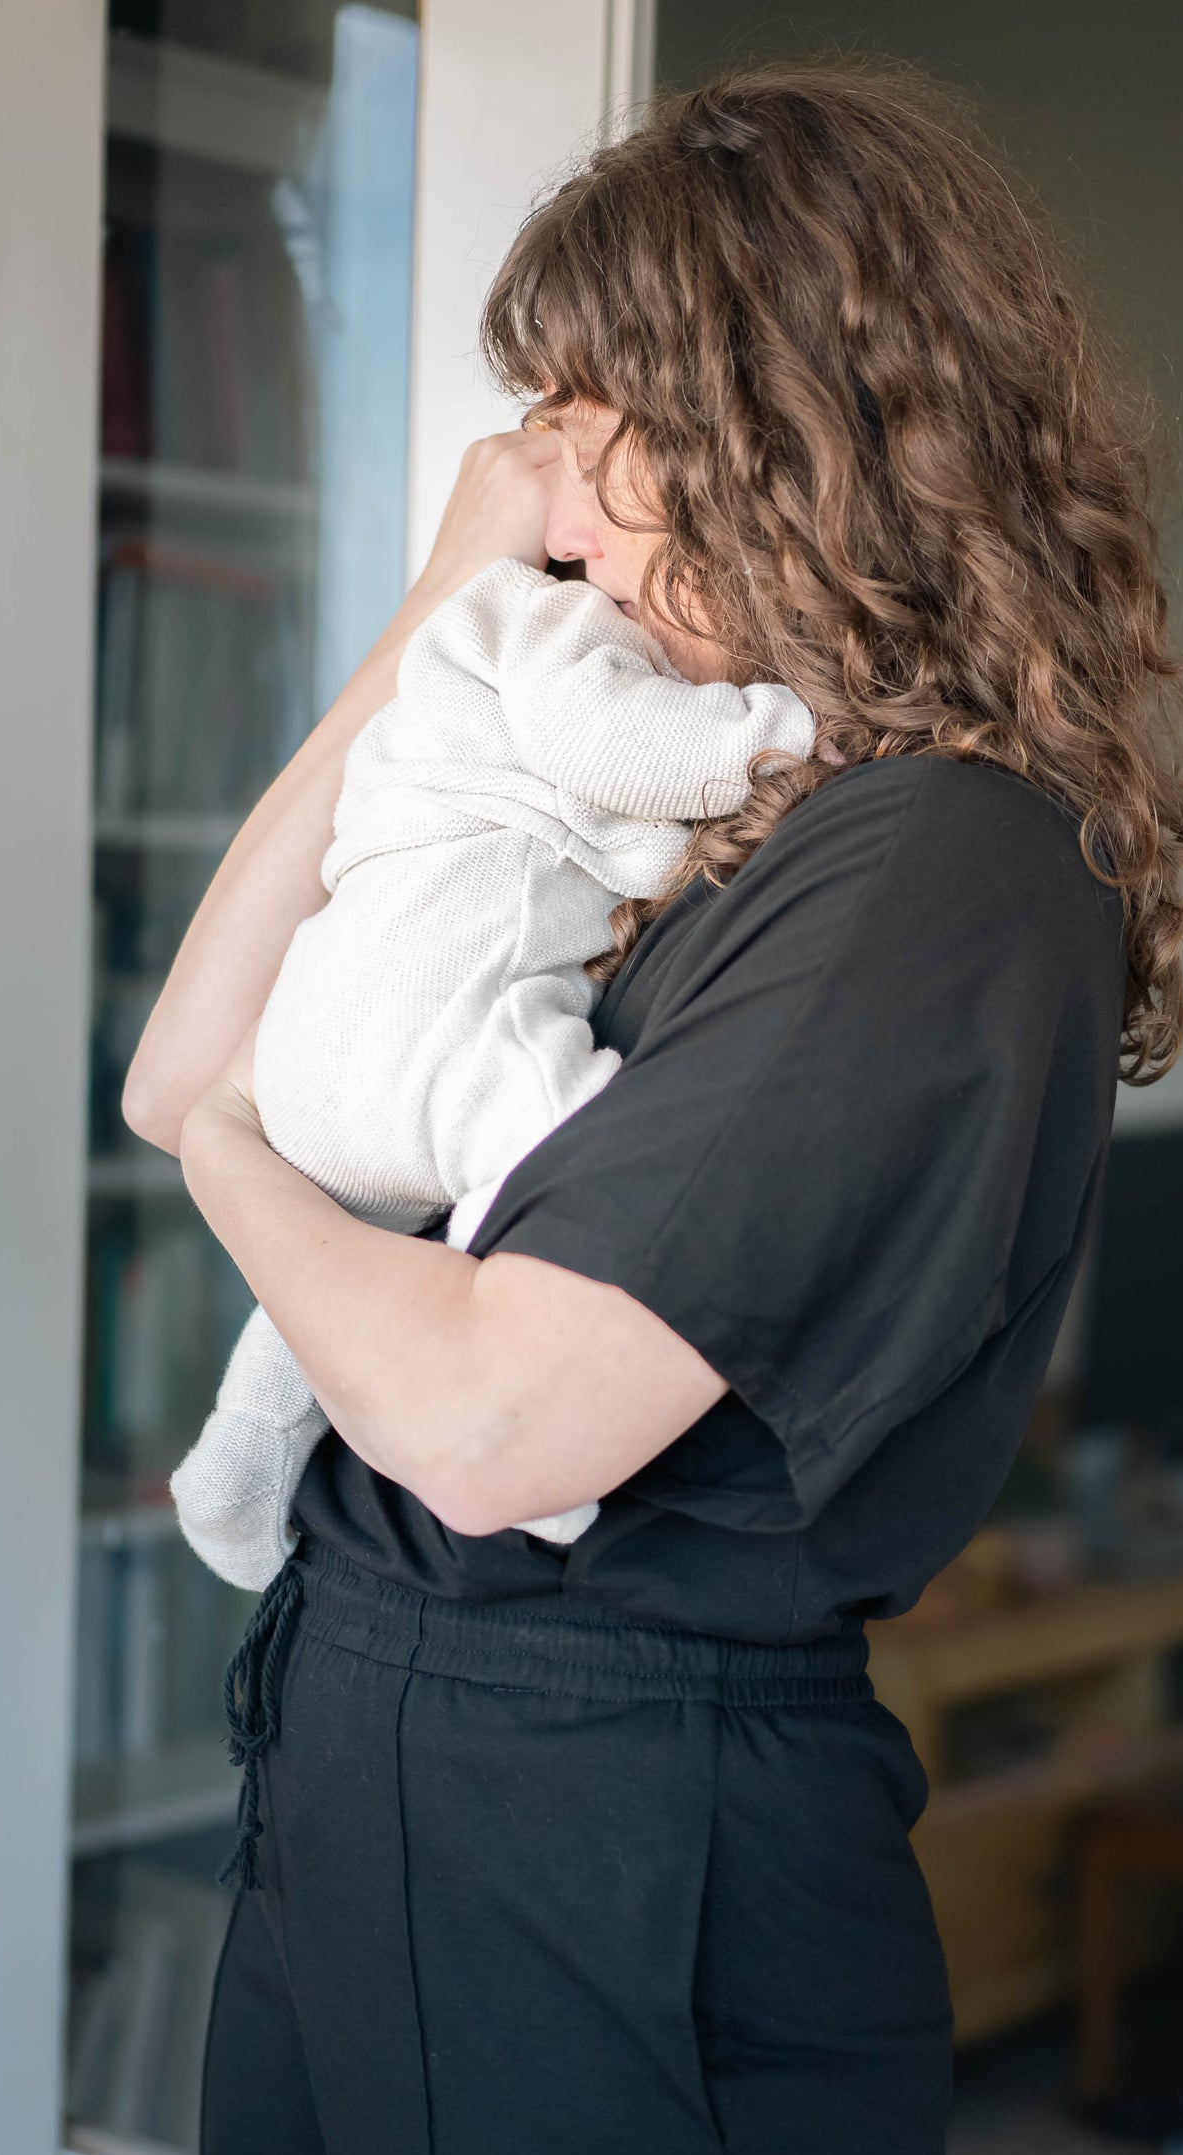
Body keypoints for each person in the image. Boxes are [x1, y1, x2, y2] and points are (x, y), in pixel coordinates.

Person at [123, 63, 1183, 2155]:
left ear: (789, 430)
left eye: (598, 431)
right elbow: (184, 1048)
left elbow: (483, 1423)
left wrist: (233, 1155)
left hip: (595, 1825)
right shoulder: (686, 810)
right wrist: (438, 631)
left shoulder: (942, 865)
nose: (560, 506)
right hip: (400, 1753)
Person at [170, 555, 813, 1590]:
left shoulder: (450, 684)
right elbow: (613, 744)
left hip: (309, 1054)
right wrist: (782, 730)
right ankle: (528, 1444)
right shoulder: (539, 615)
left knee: (321, 1279)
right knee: (583, 1137)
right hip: (440, 1017)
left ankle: (238, 1452)